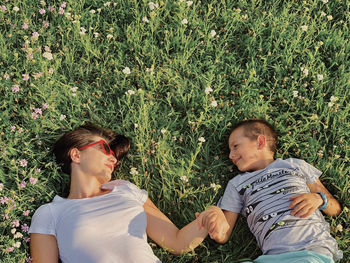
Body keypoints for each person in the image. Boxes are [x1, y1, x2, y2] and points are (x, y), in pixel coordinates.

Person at [29, 123, 229, 263]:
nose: (114, 160)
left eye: (115, 156)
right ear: (76, 154)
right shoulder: (50, 213)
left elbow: (177, 242)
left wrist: (211, 215)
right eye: (105, 150)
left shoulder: (125, 190)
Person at [198, 119, 343, 262]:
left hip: (311, 251)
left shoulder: (295, 165)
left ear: (260, 142)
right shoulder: (236, 184)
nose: (230, 156)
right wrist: (215, 228)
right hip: (271, 258)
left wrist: (319, 199)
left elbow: (335, 209)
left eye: (235, 146)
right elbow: (224, 233)